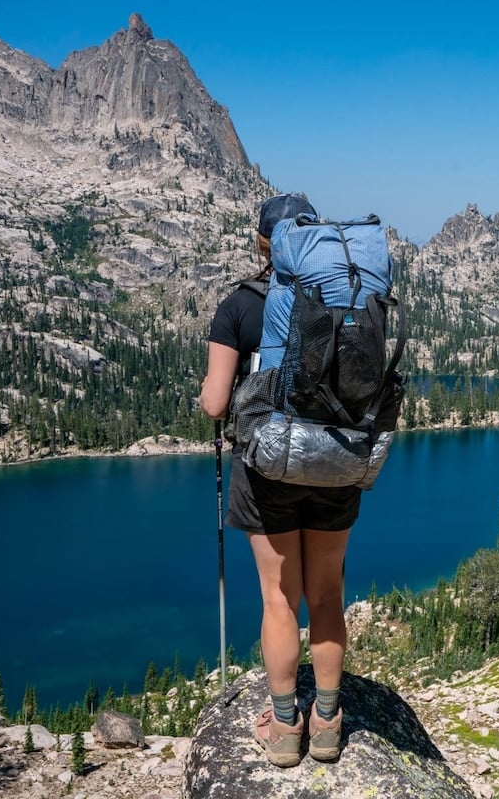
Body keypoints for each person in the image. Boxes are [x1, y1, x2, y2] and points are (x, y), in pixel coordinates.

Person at [200, 194, 356, 768]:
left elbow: (217, 403)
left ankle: (286, 726)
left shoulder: (239, 306)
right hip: (336, 463)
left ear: (262, 244)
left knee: (279, 598)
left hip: (267, 470)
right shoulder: (344, 294)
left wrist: (208, 395)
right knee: (327, 594)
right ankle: (329, 723)